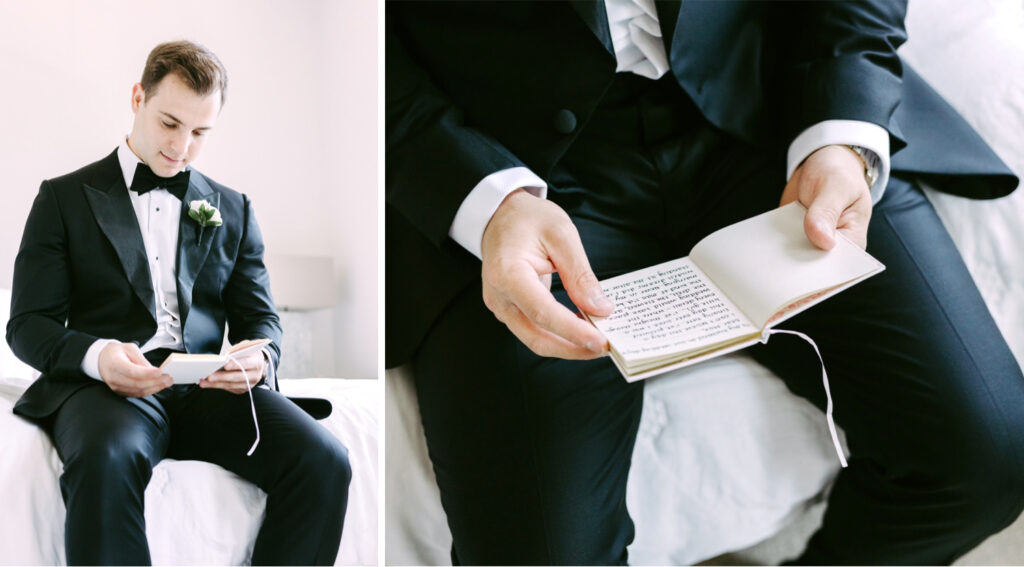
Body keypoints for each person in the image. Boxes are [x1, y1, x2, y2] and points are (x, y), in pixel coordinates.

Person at [386, 1, 1024, 564]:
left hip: (768, 113)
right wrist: (486, 199)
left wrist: (839, 138)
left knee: (987, 455)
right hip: (508, 163)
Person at [8, 40, 350, 566]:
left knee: (325, 459)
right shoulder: (63, 199)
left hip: (207, 391)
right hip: (108, 392)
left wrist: (261, 358)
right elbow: (29, 325)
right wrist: (100, 357)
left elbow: (261, 318)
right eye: (170, 124)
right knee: (105, 458)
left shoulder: (232, 208)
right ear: (137, 98)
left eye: (200, 133)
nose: (182, 146)